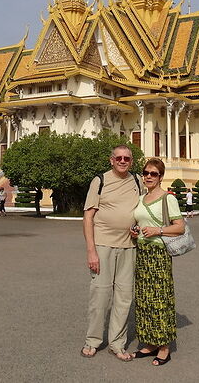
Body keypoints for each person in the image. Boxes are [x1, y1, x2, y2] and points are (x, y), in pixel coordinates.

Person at [81, 145, 141, 362]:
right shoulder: (100, 180)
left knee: (124, 298)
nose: (123, 161)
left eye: (127, 158)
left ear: (131, 161)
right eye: (119, 158)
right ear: (111, 160)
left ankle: (117, 343)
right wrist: (91, 251)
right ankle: (93, 340)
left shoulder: (137, 181)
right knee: (100, 295)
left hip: (129, 246)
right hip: (103, 246)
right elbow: (88, 217)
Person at [130, 158, 185, 366]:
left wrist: (158, 230)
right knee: (144, 299)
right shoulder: (141, 198)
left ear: (161, 177)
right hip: (143, 251)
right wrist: (135, 232)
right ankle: (151, 342)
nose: (148, 177)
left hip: (159, 253)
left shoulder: (167, 198)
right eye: (146, 173)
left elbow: (179, 226)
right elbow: (141, 222)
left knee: (160, 299)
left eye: (153, 174)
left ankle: (164, 346)